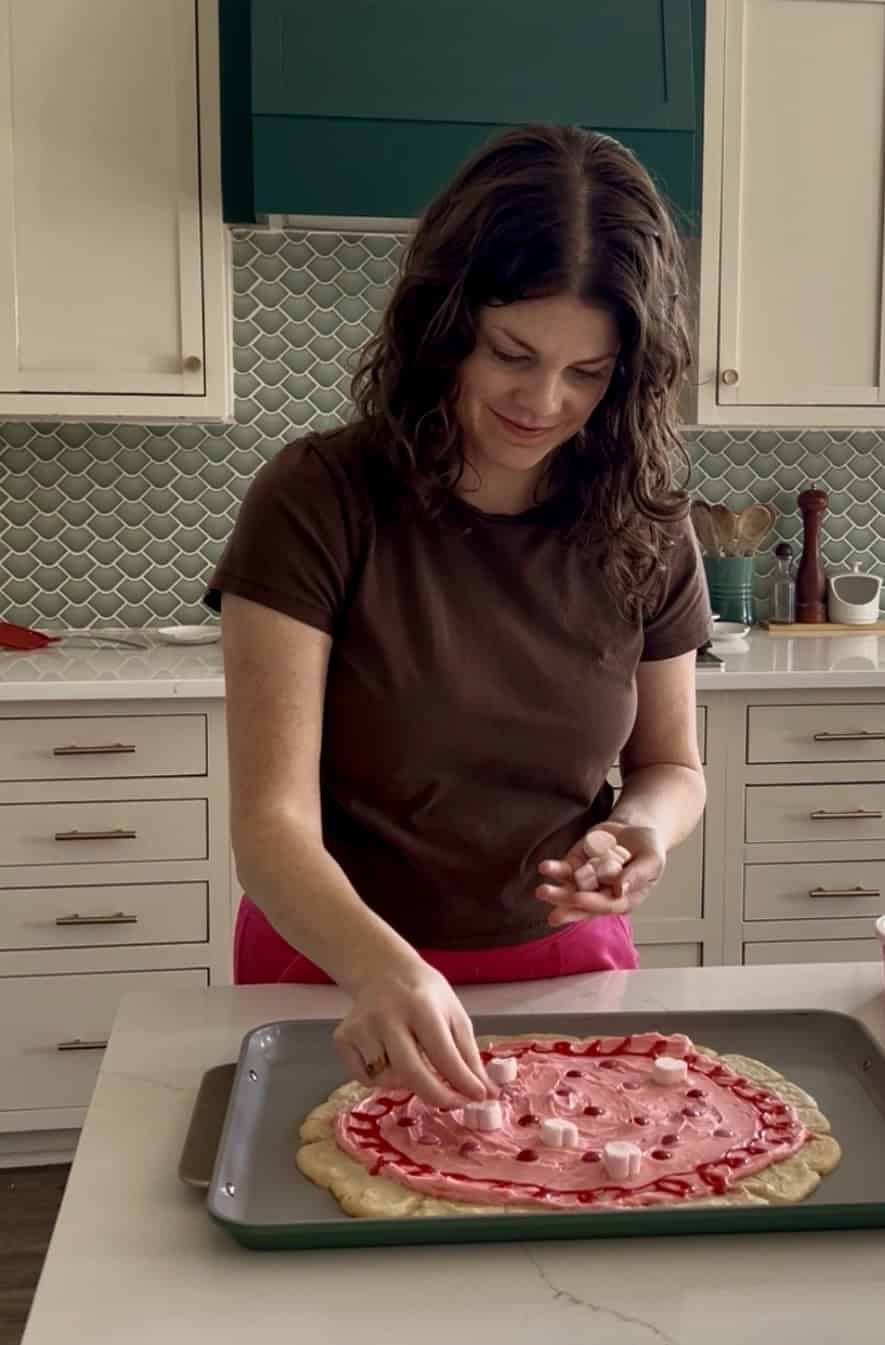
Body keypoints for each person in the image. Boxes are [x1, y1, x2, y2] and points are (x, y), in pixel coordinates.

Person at [204, 124, 711, 1111]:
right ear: (445, 326)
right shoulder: (319, 498)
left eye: (588, 371)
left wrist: (638, 830)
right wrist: (380, 966)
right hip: (337, 966)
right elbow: (270, 822)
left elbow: (671, 766)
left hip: (568, 967)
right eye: (512, 353)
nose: (544, 400)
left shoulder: (645, 523)